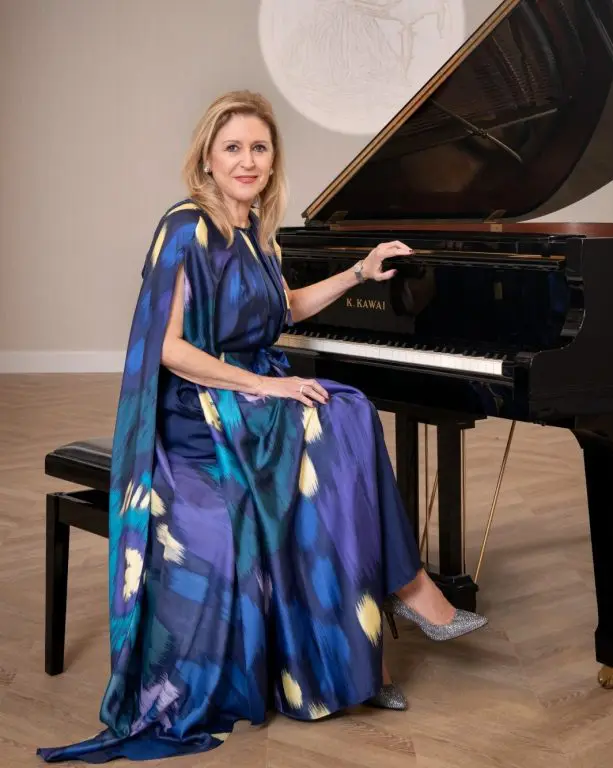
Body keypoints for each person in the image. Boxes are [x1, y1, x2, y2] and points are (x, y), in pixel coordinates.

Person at [37, 90, 487, 763]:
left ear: (273, 160)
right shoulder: (186, 226)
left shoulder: (254, 233)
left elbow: (283, 309)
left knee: (346, 416)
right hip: (199, 410)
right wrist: (267, 384)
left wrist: (358, 272)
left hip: (248, 396)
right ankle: (404, 598)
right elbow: (169, 349)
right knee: (333, 422)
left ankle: (365, 642)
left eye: (260, 148)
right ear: (208, 161)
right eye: (233, 148)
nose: (248, 161)